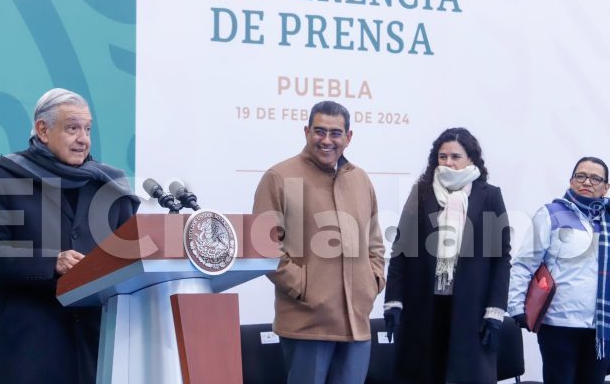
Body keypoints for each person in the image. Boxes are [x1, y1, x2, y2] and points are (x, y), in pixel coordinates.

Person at [0, 88, 139, 384]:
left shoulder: (109, 185)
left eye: (87, 129)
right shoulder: (4, 176)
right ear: (43, 130)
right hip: (30, 351)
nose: (83, 139)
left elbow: (129, 258)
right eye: (72, 128)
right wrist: (52, 262)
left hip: (97, 350)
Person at [252, 100, 385, 384]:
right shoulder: (279, 177)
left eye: (335, 133)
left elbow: (375, 242)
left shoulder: (360, 180)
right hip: (307, 324)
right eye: (319, 131)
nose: (326, 140)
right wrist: (303, 287)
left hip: (357, 324)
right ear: (306, 132)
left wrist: (372, 282)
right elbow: (263, 246)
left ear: (348, 137)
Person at [384, 127, 511, 384]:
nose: (448, 162)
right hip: (423, 307)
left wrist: (495, 310)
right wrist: (394, 301)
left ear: (471, 159)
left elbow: (501, 259)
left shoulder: (489, 196)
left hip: (471, 309)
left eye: (455, 156)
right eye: (442, 157)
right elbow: (400, 251)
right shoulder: (421, 192)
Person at [508, 156, 610, 384]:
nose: (587, 182)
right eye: (581, 176)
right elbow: (525, 263)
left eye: (595, 178)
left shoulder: (608, 221)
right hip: (558, 324)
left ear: (606, 187)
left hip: (601, 329)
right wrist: (515, 306)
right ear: (571, 181)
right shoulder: (551, 214)